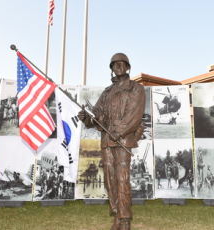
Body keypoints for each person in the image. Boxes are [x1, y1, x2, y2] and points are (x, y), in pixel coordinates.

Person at [78, 53, 145, 230]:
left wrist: (120, 131)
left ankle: (125, 220)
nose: (118, 67)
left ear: (128, 66)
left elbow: (135, 115)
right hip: (107, 140)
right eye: (115, 65)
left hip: (122, 139)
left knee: (122, 178)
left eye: (122, 64)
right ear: (112, 69)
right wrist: (86, 118)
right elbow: (98, 118)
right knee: (110, 179)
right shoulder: (107, 92)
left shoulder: (136, 88)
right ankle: (116, 214)